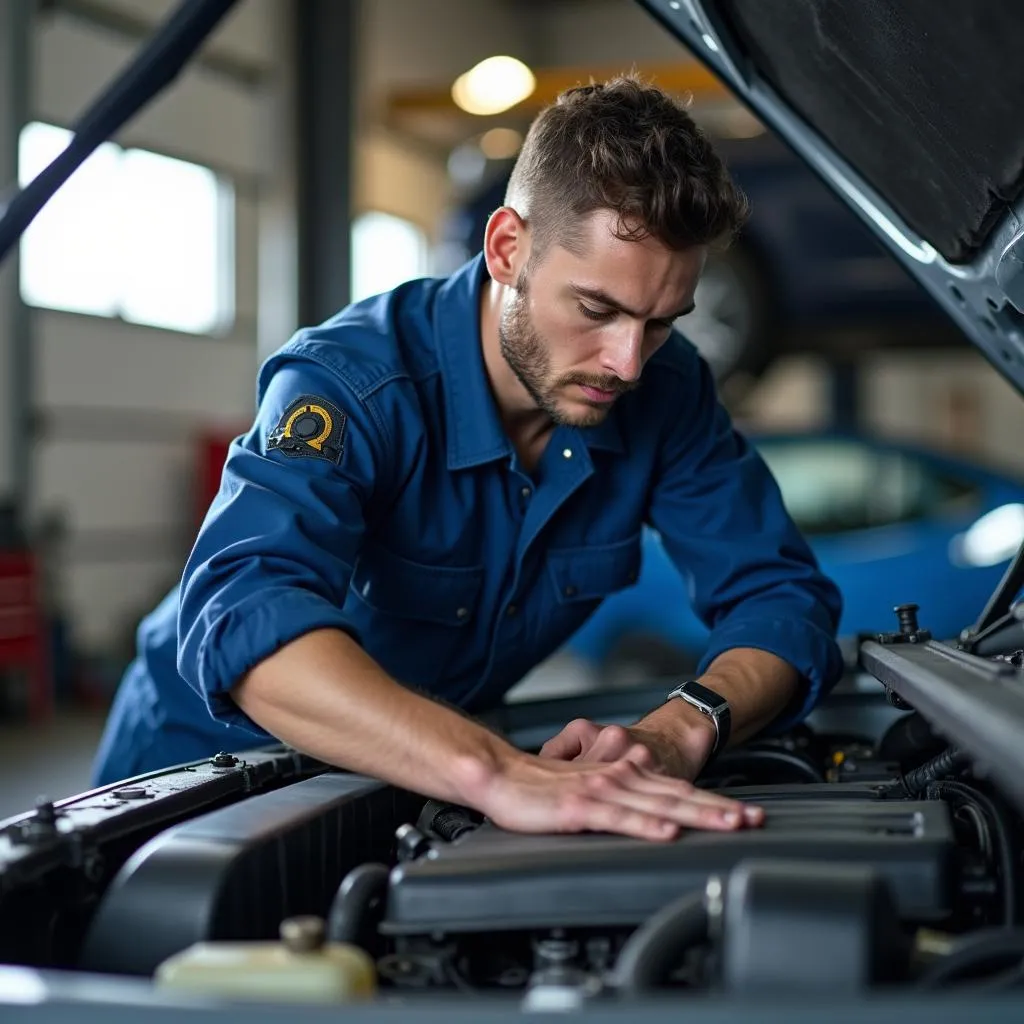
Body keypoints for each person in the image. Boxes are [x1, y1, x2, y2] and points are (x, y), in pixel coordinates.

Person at [92, 75, 843, 842]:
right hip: (201, 785)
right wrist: (499, 772)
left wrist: (681, 731)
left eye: (659, 323)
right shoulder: (351, 382)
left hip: (415, 782)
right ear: (507, 248)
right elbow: (246, 614)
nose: (628, 363)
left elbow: (780, 599)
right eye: (596, 309)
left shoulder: (670, 388)